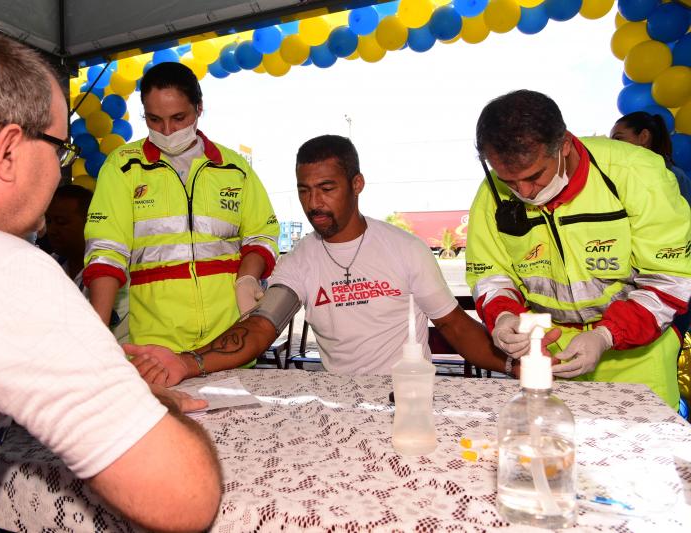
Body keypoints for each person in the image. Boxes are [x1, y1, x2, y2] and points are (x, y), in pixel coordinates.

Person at [0, 31, 221, 531]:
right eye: (60, 152)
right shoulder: (1, 268)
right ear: (7, 151)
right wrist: (133, 398)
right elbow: (184, 498)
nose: (59, 172)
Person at [125, 135, 511, 384]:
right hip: (340, 401)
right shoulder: (300, 261)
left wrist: (517, 366)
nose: (314, 204)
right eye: (305, 190)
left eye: (327, 189)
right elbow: (261, 328)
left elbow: (457, 328)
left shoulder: (405, 248)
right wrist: (186, 363)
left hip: (407, 397)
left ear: (356, 185)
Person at [466, 89, 691, 409]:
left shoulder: (638, 173)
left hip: (637, 355)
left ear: (565, 146)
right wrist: (503, 317)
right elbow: (491, 274)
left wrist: (605, 336)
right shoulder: (492, 193)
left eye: (533, 177)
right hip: (548, 356)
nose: (524, 193)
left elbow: (670, 280)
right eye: (510, 182)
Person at [84, 61, 279, 357]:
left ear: (199, 108)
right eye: (153, 119)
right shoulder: (123, 167)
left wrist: (247, 278)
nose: (166, 130)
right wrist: (96, 335)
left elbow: (261, 235)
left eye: (178, 118)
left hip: (228, 340)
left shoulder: (233, 168)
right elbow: (106, 252)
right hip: (154, 345)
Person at [46, 184, 129, 342]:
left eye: (61, 222)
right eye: (49, 221)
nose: (52, 229)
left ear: (89, 223)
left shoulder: (114, 275)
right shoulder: (47, 266)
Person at [610, 111, 691, 207]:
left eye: (618, 139)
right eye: (611, 141)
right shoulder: (615, 175)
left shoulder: (675, 176)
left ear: (644, 137)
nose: (612, 145)